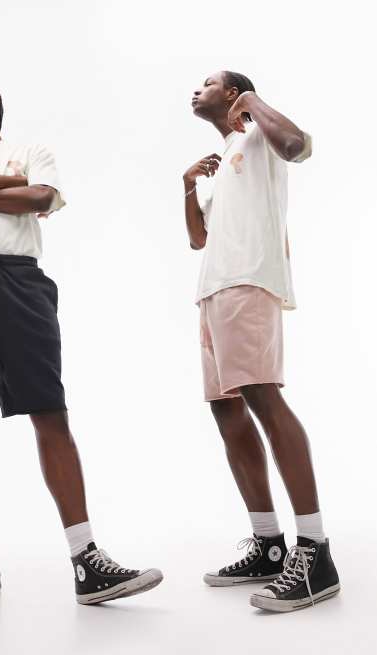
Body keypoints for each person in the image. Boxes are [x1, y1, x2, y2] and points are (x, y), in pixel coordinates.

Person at [0, 78, 163, 612]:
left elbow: (41, 197)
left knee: (50, 411)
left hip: (21, 278)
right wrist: (6, 184)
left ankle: (87, 560)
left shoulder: (34, 150)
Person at [183, 70, 340, 612]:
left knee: (263, 398)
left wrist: (251, 99)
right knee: (225, 408)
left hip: (249, 281)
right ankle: (269, 545)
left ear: (232, 94)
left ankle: (315, 552)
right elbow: (198, 238)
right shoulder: (227, 157)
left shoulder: (261, 136)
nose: (195, 89)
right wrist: (187, 186)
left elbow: (297, 146)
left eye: (208, 82)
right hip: (213, 289)